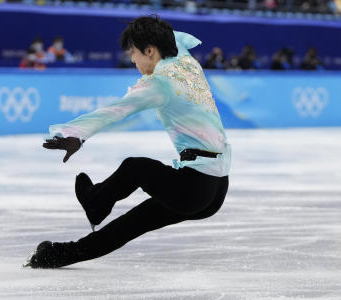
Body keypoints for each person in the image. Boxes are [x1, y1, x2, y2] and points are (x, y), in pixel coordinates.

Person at [24, 15, 231, 269]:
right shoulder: (184, 58)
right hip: (216, 187)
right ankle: (56, 254)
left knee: (135, 168)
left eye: (134, 52)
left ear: (150, 50)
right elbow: (171, 35)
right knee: (130, 225)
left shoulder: (161, 85)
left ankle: (95, 204)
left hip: (194, 187)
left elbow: (118, 109)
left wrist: (75, 133)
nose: (133, 59)